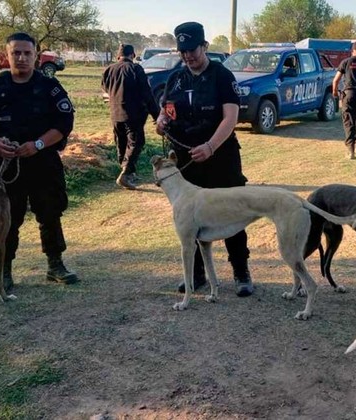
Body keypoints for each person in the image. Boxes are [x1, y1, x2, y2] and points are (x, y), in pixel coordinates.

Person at [0, 32, 78, 292]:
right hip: (3, 166)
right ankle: (3, 272)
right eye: (16, 52)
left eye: (27, 53)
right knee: (7, 218)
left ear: (35, 55)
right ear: (7, 55)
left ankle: (55, 264)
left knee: (50, 212)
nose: (22, 58)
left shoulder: (49, 87)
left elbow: (64, 123)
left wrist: (38, 144)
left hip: (42, 161)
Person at [155, 21, 253, 297]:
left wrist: (210, 146)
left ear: (205, 46)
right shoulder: (175, 78)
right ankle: (196, 274)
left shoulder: (222, 75)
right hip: (186, 158)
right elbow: (166, 110)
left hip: (220, 156)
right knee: (190, 218)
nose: (188, 56)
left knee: (232, 211)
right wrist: (161, 122)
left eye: (192, 50)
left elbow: (230, 118)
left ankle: (241, 271)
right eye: (183, 51)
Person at [101, 44, 159, 190]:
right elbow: (147, 94)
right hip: (133, 113)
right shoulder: (135, 69)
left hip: (115, 112)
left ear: (118, 56)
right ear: (133, 55)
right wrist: (156, 115)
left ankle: (127, 172)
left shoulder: (109, 69)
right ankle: (126, 173)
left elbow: (105, 87)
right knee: (136, 142)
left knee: (121, 142)